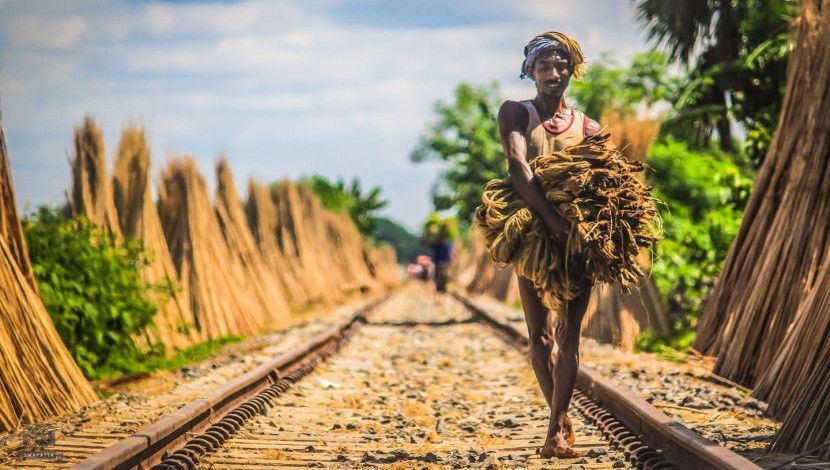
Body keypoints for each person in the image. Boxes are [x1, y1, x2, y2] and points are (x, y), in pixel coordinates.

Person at [496, 31, 600, 459]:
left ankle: (556, 428)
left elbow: (600, 185)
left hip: (576, 241)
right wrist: (552, 221)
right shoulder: (515, 113)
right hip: (534, 237)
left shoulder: (588, 128)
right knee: (540, 337)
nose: (554, 74)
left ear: (573, 70)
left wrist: (578, 230)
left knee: (569, 336)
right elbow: (518, 167)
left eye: (562, 66)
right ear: (530, 71)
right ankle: (558, 417)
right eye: (545, 67)